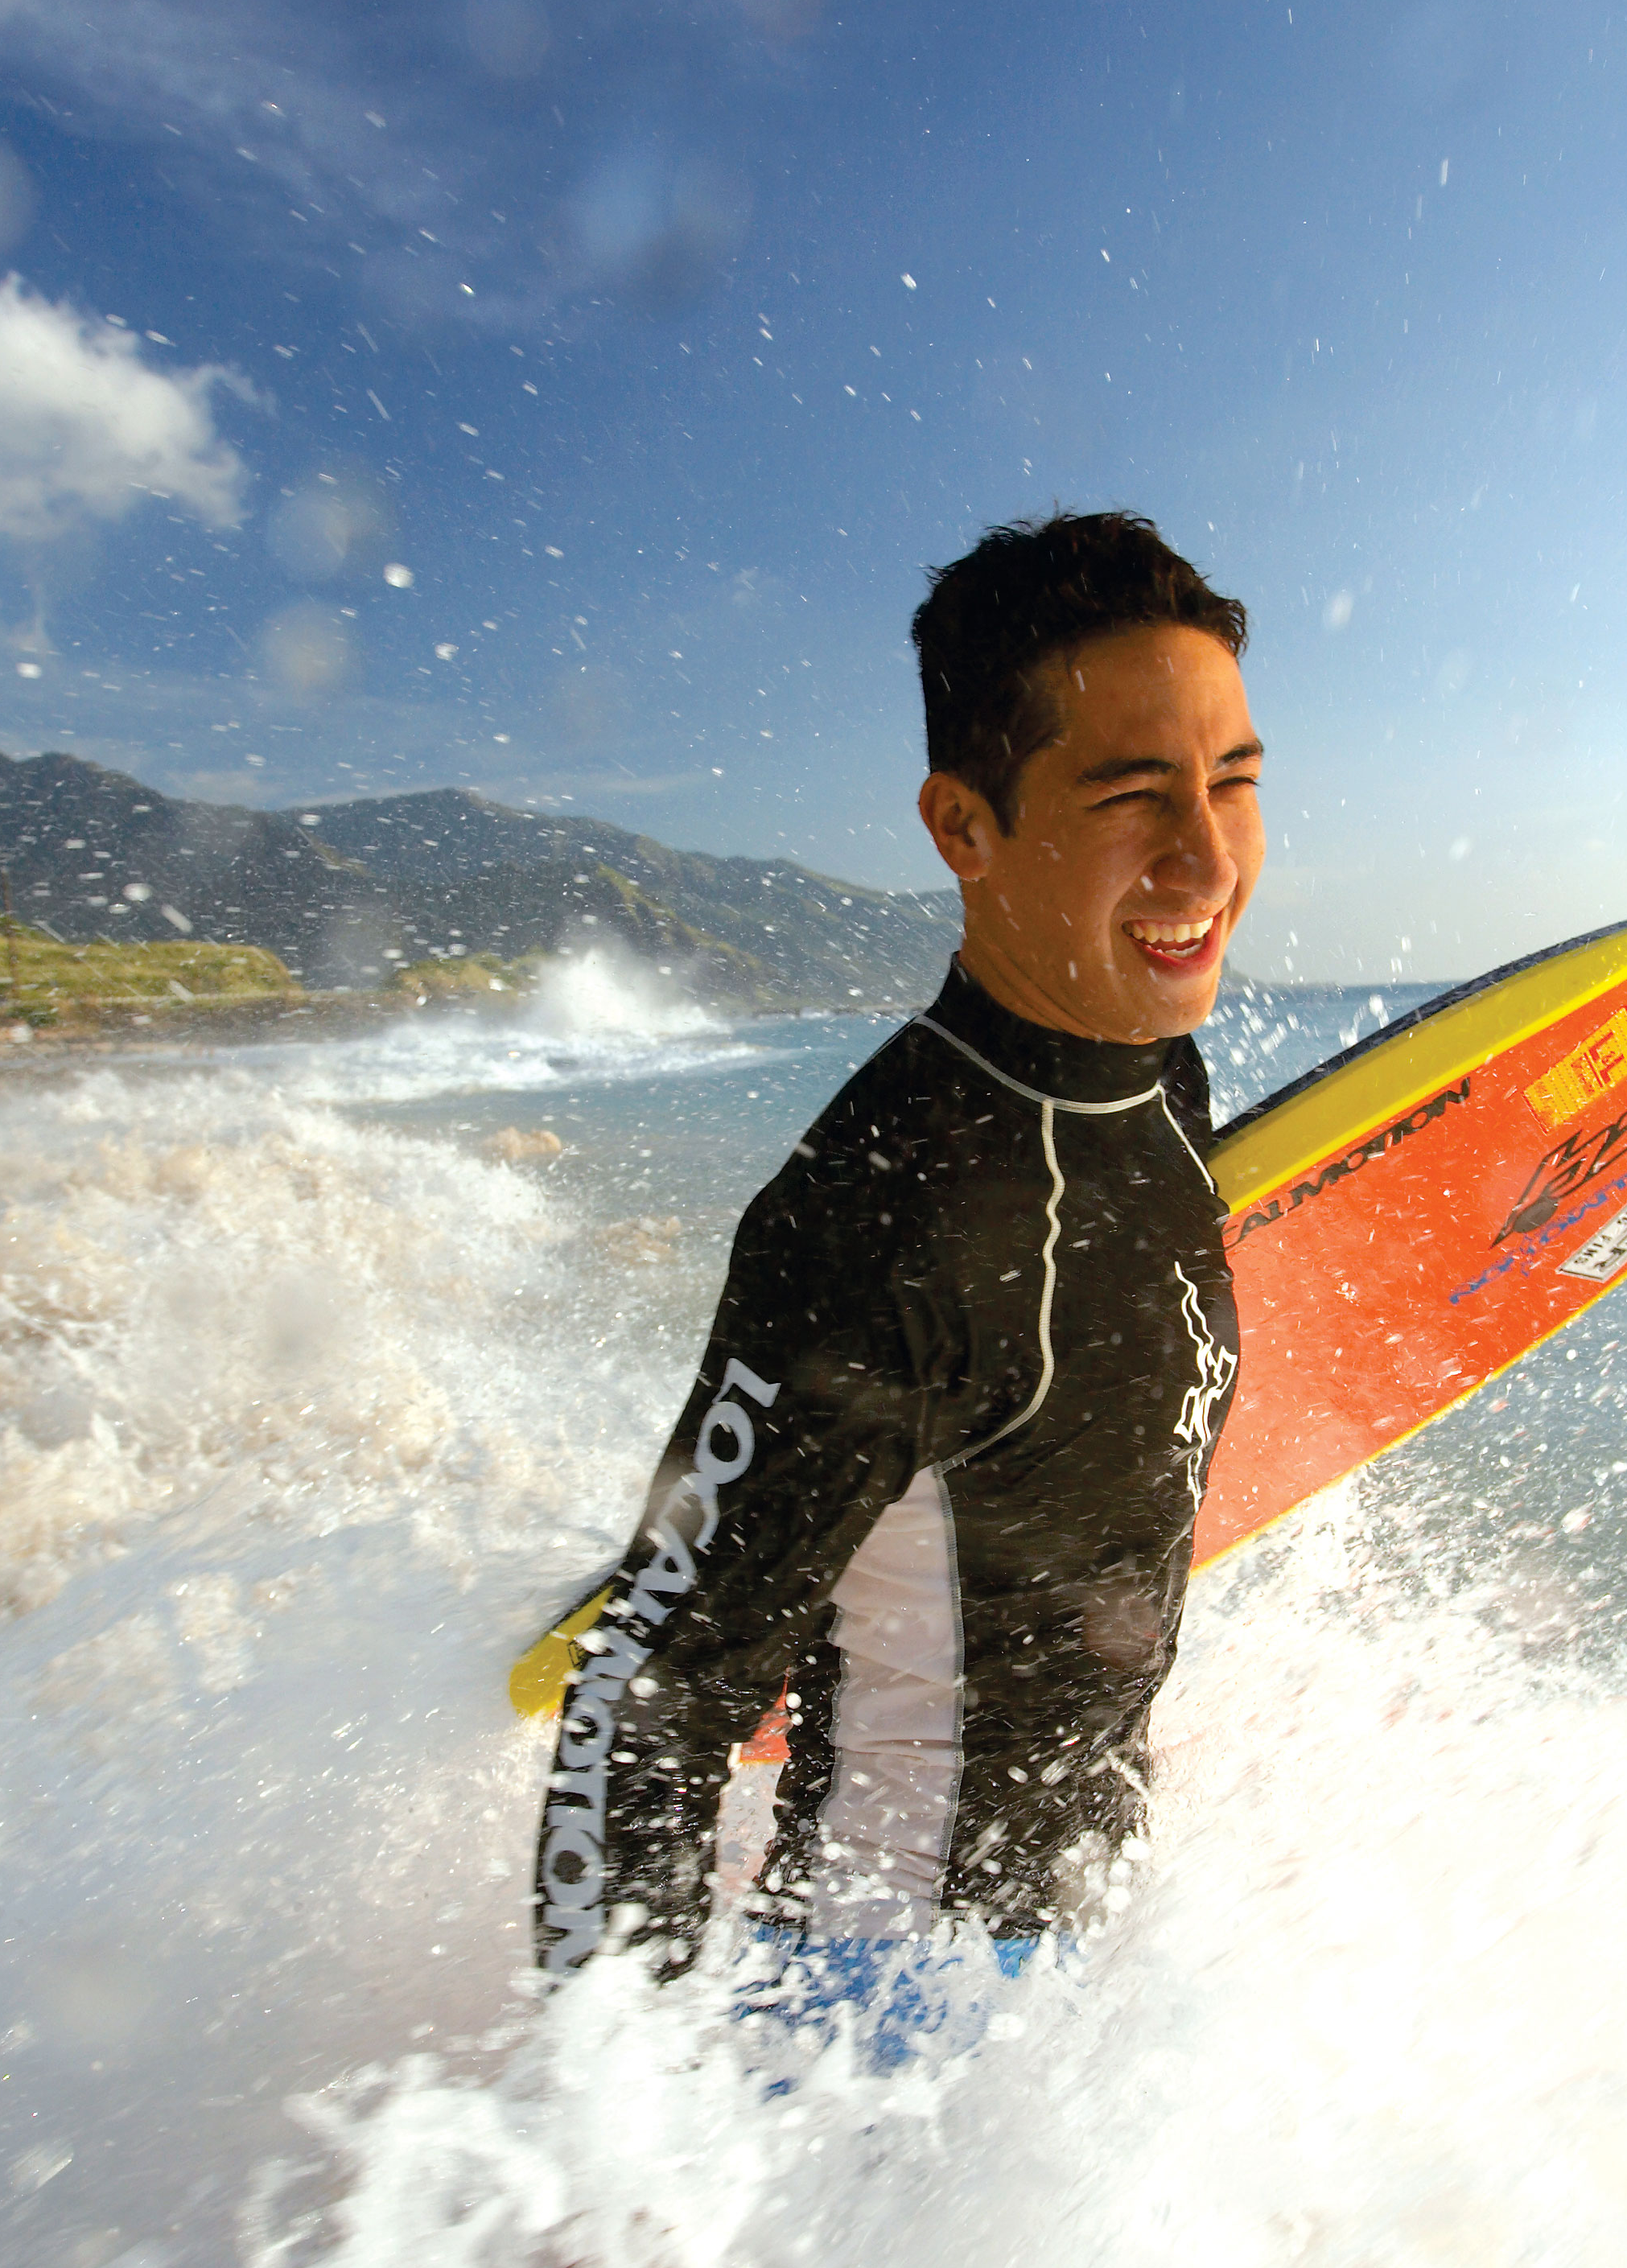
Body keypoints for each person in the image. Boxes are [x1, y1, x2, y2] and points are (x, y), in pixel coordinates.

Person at [525, 510, 1264, 2042]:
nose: (1206, 854)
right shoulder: (879, 1224)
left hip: (1095, 1939)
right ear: (964, 828)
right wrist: (628, 2216)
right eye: (1133, 795)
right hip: (889, 2011)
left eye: (1235, 780)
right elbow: (640, 1707)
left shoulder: (1152, 1075)